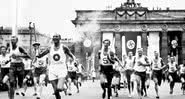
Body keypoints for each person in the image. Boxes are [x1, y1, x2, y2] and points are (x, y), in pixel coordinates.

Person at [36, 34, 76, 99]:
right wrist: (37, 49)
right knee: (56, 92)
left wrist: (75, 61)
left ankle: (64, 88)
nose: (55, 38)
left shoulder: (64, 47)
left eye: (56, 36)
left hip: (62, 69)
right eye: (54, 37)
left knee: (59, 88)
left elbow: (72, 56)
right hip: (52, 69)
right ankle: (63, 89)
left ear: (60, 38)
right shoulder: (49, 48)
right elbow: (39, 56)